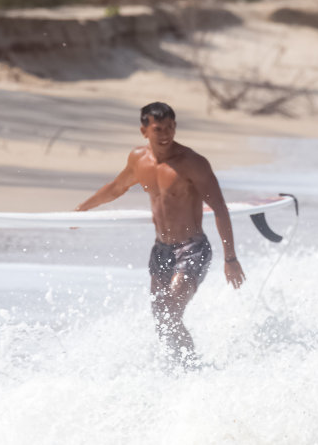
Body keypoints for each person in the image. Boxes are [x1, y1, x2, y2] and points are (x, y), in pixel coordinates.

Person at [75, 102, 245, 367]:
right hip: (161, 250)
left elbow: (220, 209)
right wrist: (83, 208)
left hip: (193, 249)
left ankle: (193, 370)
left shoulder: (193, 163)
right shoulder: (138, 160)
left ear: (175, 127)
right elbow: (117, 187)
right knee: (160, 317)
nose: (165, 134)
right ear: (144, 131)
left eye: (169, 127)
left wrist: (230, 259)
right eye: (158, 129)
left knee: (170, 313)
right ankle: (179, 369)